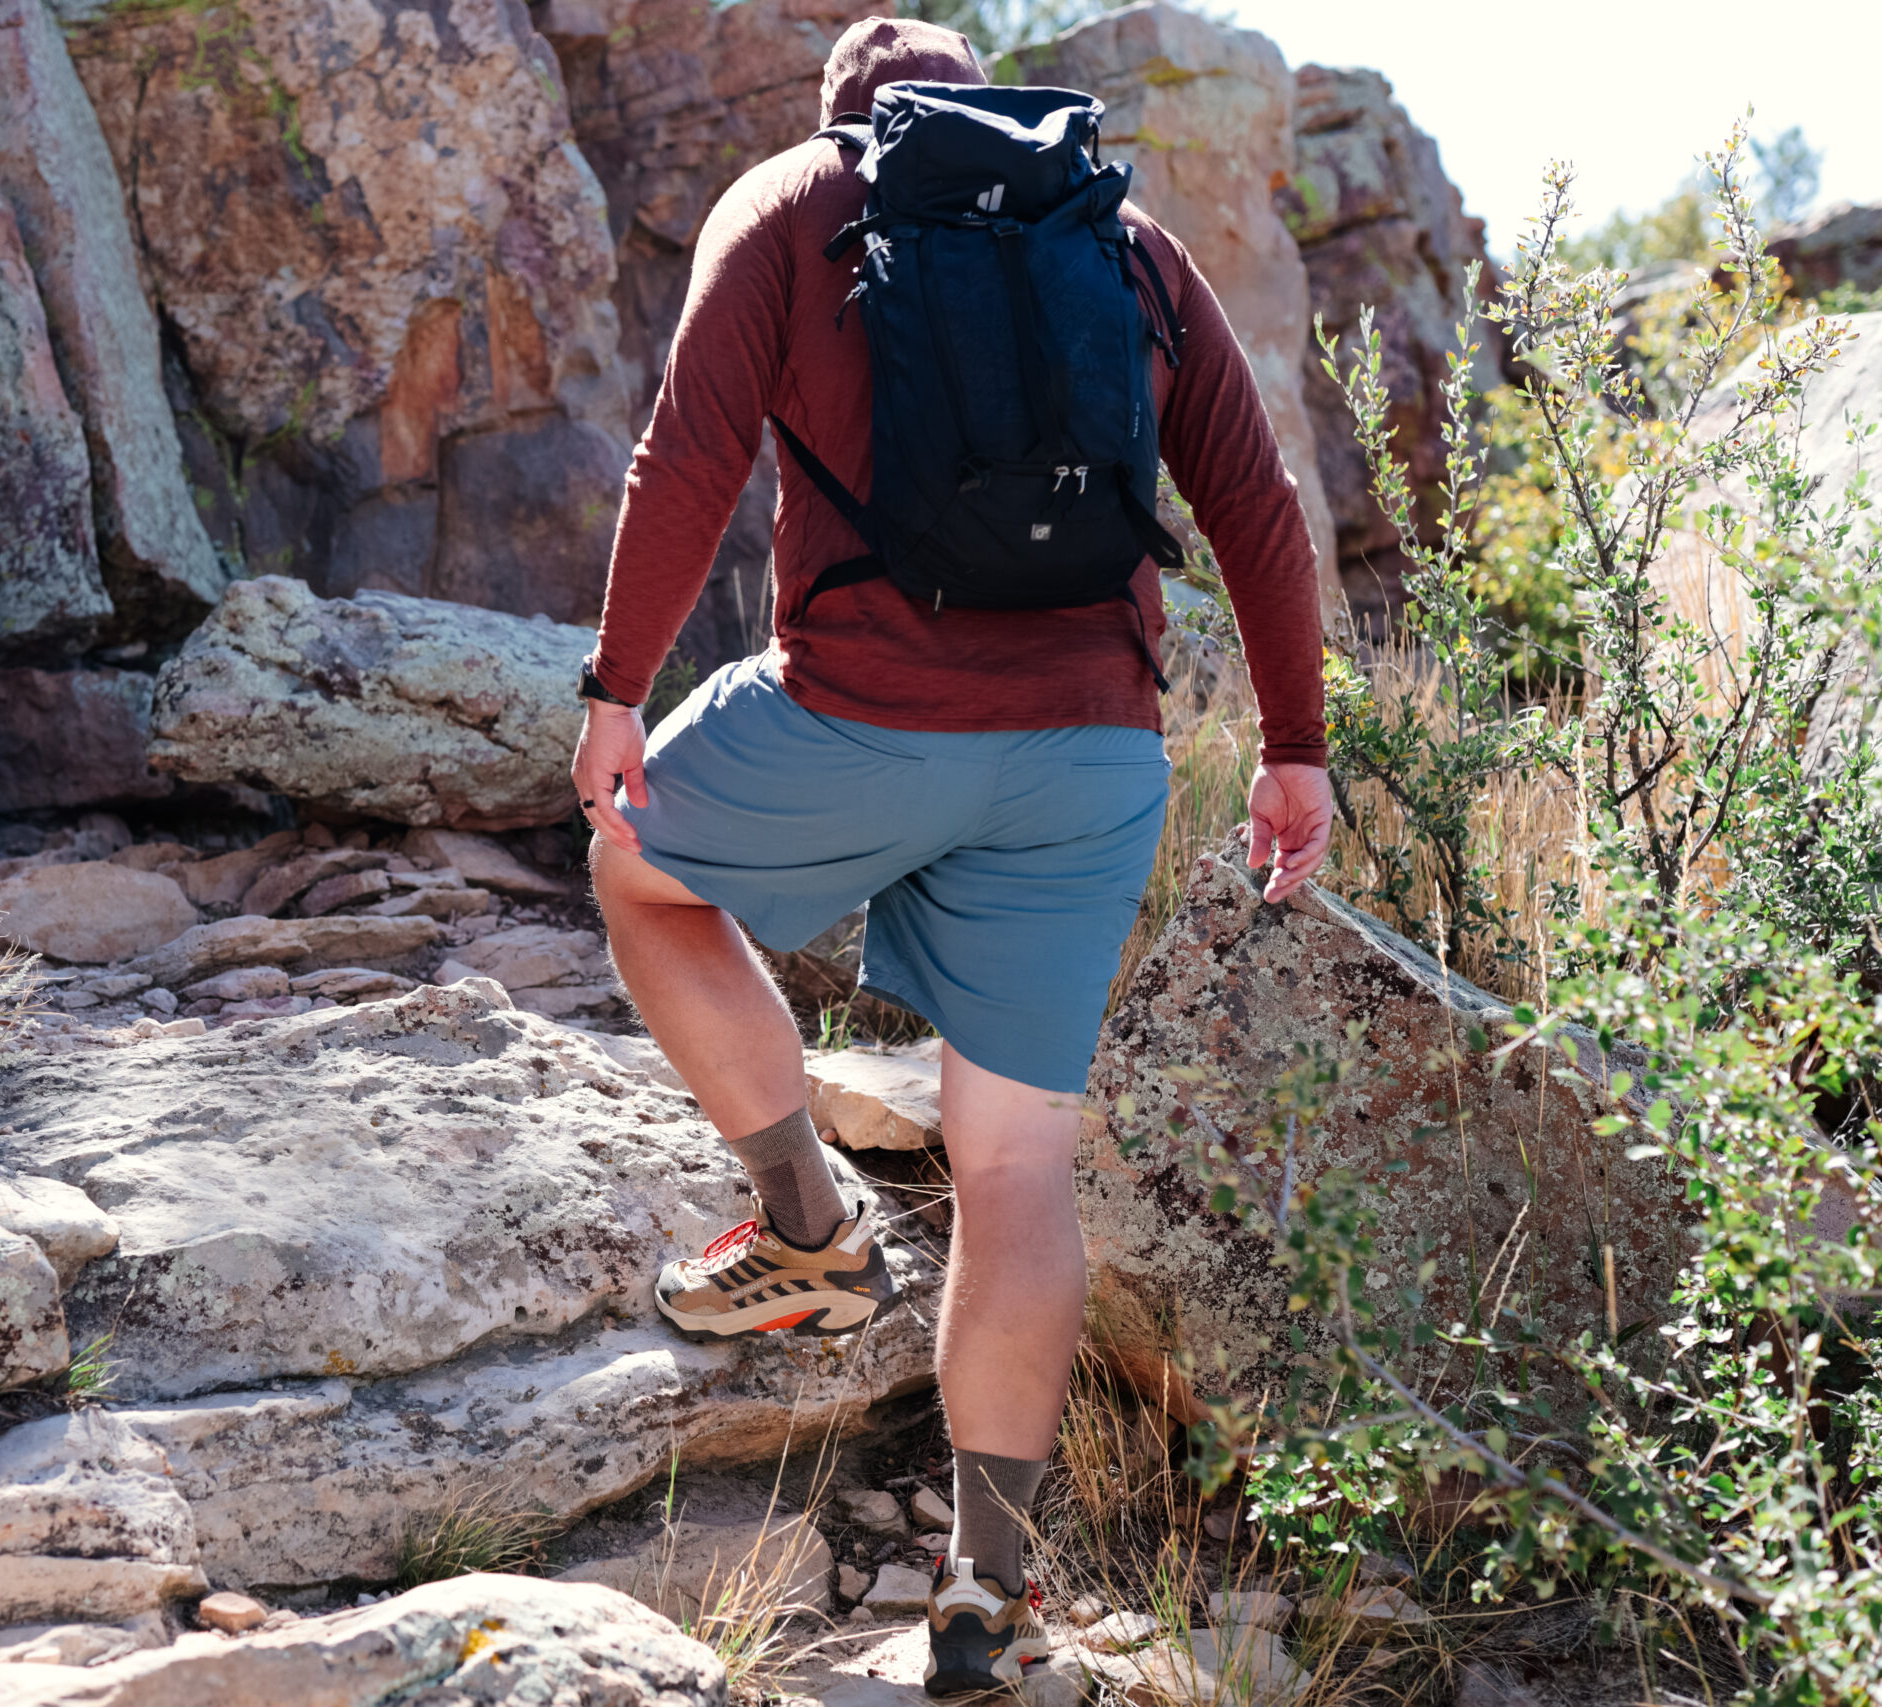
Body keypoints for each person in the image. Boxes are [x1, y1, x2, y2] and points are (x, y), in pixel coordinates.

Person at [570, 15, 1333, 1695]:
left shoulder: (792, 203)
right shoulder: (1123, 238)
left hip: (857, 714)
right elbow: (1258, 500)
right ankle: (986, 1592)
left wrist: (620, 692)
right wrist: (1294, 750)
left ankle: (805, 1231)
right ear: (993, 110)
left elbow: (686, 454)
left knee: (638, 868)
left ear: (844, 115)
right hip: (1091, 757)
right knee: (1013, 1167)